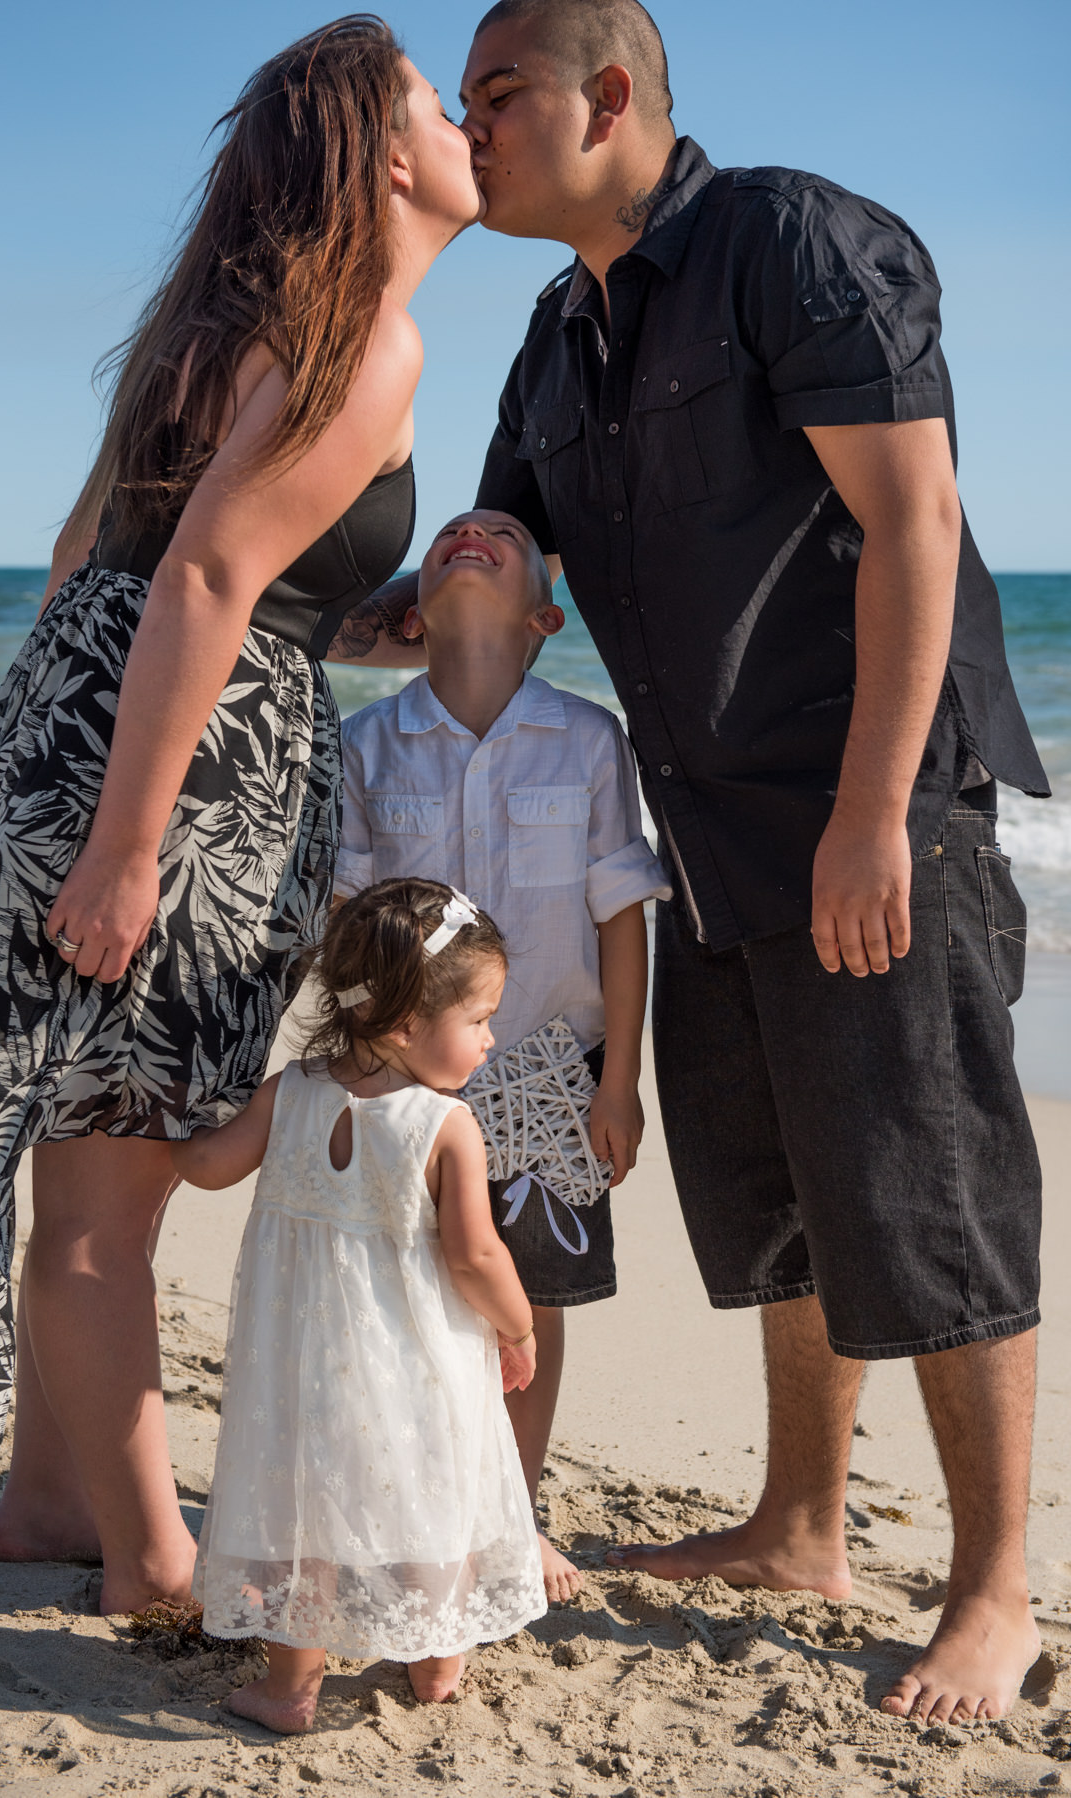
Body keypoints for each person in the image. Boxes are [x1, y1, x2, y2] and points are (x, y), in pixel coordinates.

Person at [333, 0, 1051, 1728]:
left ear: (613, 95)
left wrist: (875, 810)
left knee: (929, 1189)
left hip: (876, 805)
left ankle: (994, 1589)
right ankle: (801, 1525)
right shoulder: (553, 342)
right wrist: (256, 598)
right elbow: (484, 585)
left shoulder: (791, 243)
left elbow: (917, 521)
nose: (474, 123)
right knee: (781, 1193)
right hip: (707, 828)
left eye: (495, 92)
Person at [0, 18, 483, 1608]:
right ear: (386, 152)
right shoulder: (369, 342)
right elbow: (206, 575)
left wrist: (346, 624)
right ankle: (148, 1561)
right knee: (106, 1179)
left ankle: (49, 1509)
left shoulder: (204, 330)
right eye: (436, 99)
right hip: (178, 783)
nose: (465, 118)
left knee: (68, 1151)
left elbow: (112, 563)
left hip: (71, 726)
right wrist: (130, 844)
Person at [335, 507, 668, 1603]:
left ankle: (508, 1515)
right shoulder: (370, 745)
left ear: (544, 616)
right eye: (447, 535)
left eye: (503, 533)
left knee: (529, 1307)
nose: (469, 530)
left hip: (550, 1078)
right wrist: (354, 1067)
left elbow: (623, 914)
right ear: (412, 614)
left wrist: (619, 1079)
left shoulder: (587, 739)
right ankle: (415, 1507)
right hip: (405, 1083)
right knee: (410, 1301)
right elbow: (347, 919)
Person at [170, 878, 546, 1731]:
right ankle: (436, 1658)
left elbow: (209, 1166)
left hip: (303, 1363)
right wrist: (519, 1328)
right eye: (480, 1019)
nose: (491, 1038)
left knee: (308, 1510)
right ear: (406, 1025)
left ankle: (288, 1688)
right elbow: (476, 1254)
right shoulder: (443, 1125)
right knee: (429, 1492)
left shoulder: (291, 1091)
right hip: (418, 1364)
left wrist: (158, 1126)